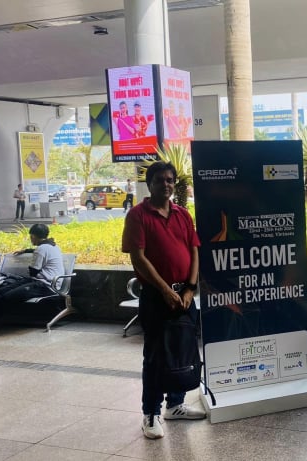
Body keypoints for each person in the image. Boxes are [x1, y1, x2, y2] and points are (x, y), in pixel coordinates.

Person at [122, 161, 204, 439]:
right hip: (157, 298)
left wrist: (190, 289)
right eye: (160, 180)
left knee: (182, 349)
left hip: (185, 295)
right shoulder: (137, 215)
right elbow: (138, 258)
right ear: (150, 183)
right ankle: (151, 413)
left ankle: (176, 405)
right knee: (156, 356)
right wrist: (165, 291)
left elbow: (194, 251)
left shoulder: (183, 214)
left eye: (170, 180)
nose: (166, 185)